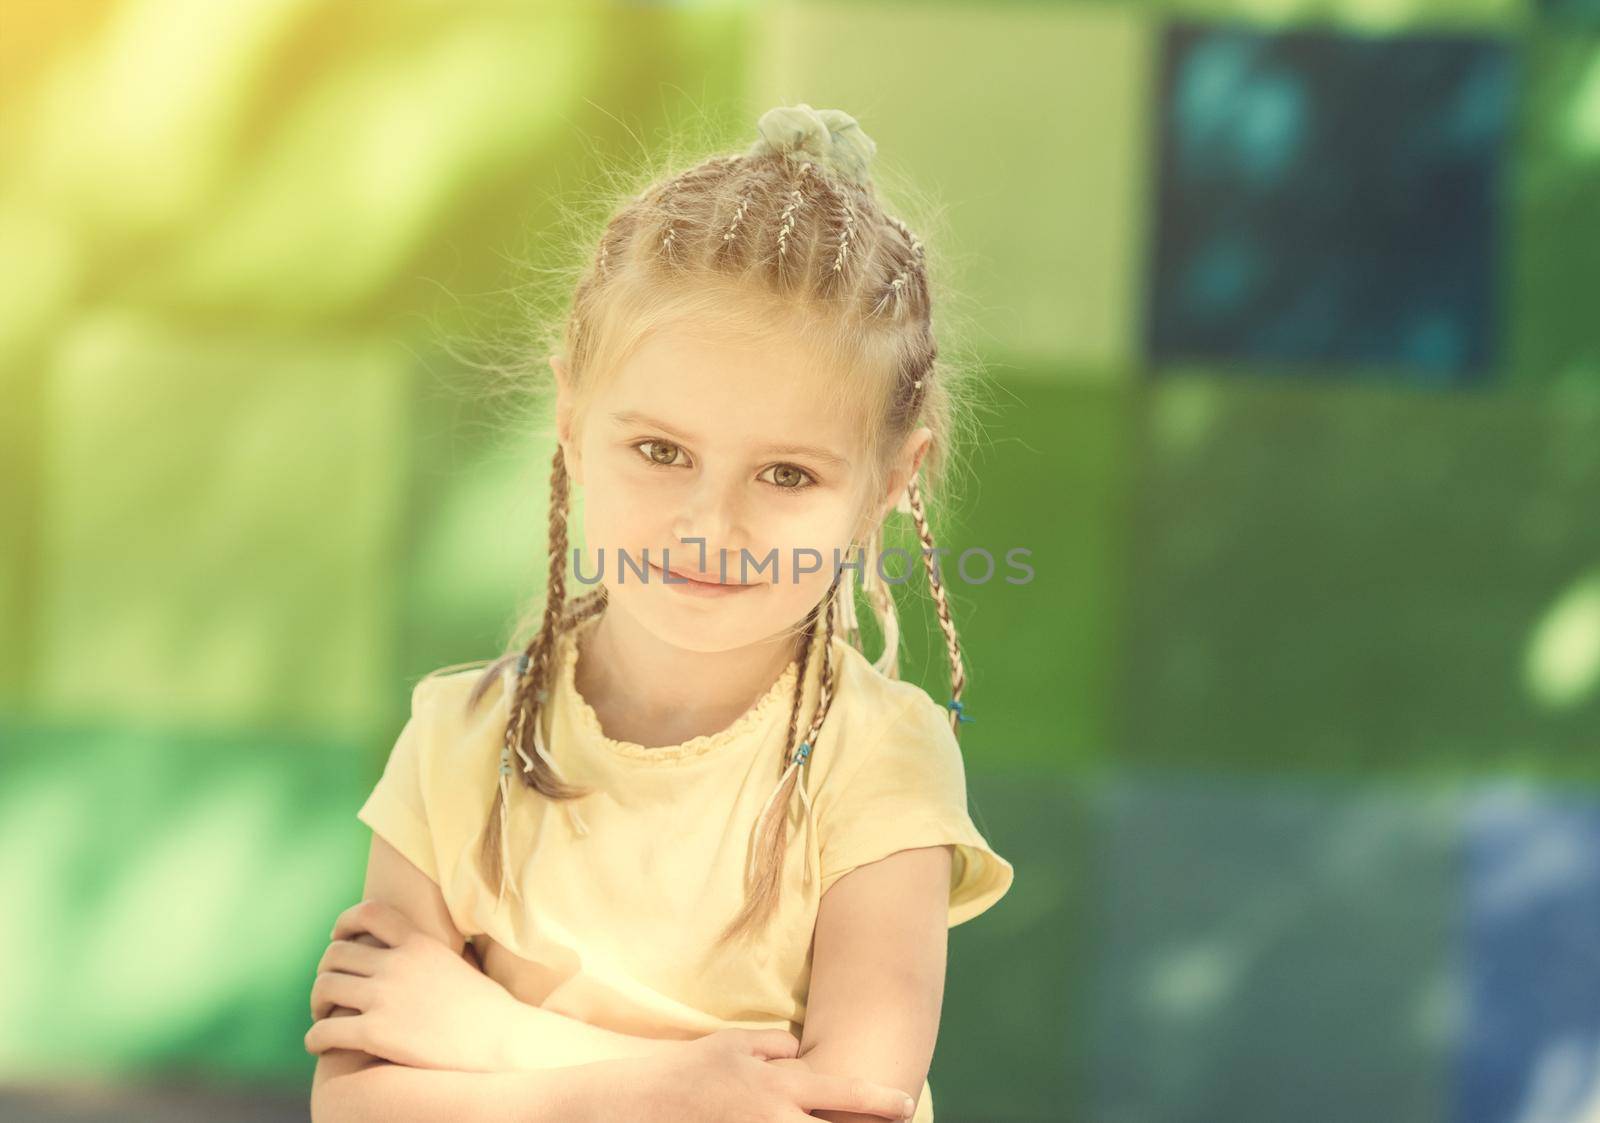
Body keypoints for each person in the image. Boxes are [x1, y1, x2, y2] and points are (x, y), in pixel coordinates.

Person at [304, 102, 1014, 1122]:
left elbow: (846, 1110)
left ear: (890, 481)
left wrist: (495, 1041)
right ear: (572, 416)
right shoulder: (455, 744)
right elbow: (356, 1105)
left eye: (785, 472)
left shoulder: (881, 760)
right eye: (661, 451)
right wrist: (683, 1092)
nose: (708, 523)